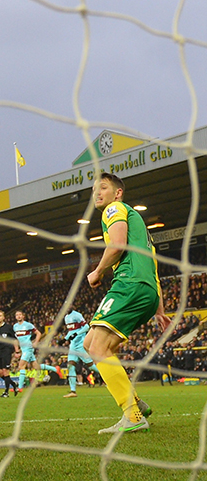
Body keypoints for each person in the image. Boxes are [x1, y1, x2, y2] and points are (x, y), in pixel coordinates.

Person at [84, 172, 168, 434]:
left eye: (103, 188)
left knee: (97, 346)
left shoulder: (114, 209)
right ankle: (135, 404)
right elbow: (152, 264)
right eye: (95, 189)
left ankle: (131, 415)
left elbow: (118, 245)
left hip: (129, 284)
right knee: (91, 343)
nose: (97, 193)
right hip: (148, 291)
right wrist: (160, 309)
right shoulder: (140, 228)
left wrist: (97, 272)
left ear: (117, 193)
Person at [59, 309, 98, 398]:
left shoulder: (77, 315)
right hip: (73, 345)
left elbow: (86, 327)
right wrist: (65, 339)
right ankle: (73, 391)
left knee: (91, 366)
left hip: (81, 344)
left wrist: (76, 334)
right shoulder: (66, 317)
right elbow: (71, 331)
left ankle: (110, 376)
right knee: (70, 366)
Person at [12, 310, 41, 390]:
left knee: (21, 366)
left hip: (28, 348)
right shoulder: (15, 327)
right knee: (35, 366)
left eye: (20, 315)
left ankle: (20, 387)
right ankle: (53, 369)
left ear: (23, 316)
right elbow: (16, 339)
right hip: (23, 349)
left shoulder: (28, 325)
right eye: (17, 315)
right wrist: (17, 350)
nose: (18, 316)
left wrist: (36, 342)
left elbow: (38, 333)